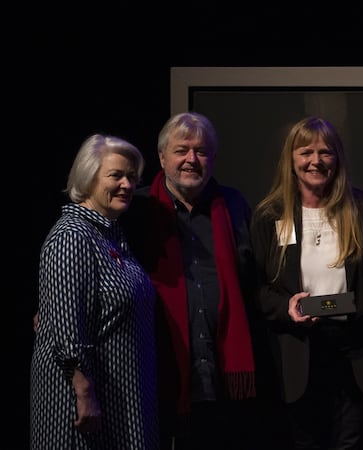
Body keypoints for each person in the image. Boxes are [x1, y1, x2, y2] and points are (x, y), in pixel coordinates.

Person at [122, 111, 259, 449]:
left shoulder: (234, 204)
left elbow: (256, 275)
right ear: (161, 156)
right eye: (182, 150)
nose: (191, 160)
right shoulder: (136, 209)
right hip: (157, 369)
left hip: (222, 374)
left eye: (201, 152)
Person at [250, 116, 363, 449]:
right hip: (298, 354)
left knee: (352, 441)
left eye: (325, 152)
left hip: (353, 352)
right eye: (306, 152)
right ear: (291, 160)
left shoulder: (362, 209)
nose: (315, 161)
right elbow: (258, 289)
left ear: (338, 159)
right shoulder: (269, 215)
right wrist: (286, 308)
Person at [30, 134, 157, 449]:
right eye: (115, 175)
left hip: (117, 399)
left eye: (131, 176)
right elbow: (67, 329)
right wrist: (84, 394)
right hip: (81, 403)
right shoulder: (72, 236)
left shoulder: (111, 235)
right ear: (88, 178)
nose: (127, 184)